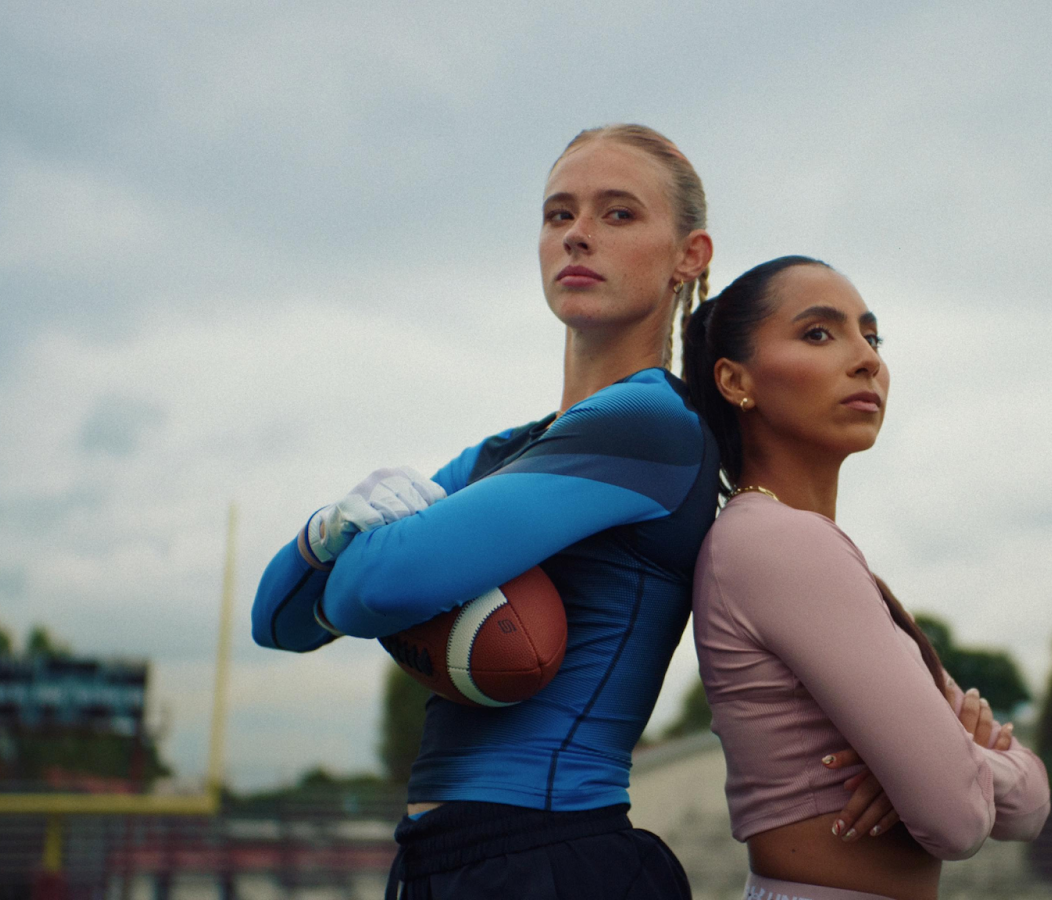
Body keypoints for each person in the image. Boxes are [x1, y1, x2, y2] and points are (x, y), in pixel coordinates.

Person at [250, 124, 720, 899]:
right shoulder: (502, 452)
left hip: (554, 859)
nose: (577, 236)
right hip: (444, 859)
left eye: (618, 214)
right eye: (557, 214)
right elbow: (276, 624)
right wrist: (325, 527)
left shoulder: (651, 427)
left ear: (687, 256)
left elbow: (378, 589)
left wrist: (350, 555)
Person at [682, 256, 1052, 900]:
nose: (867, 360)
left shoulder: (802, 546)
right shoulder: (778, 542)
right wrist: (943, 762)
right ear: (735, 380)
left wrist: (948, 764)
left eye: (872, 337)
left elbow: (1032, 806)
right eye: (819, 334)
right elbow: (957, 819)